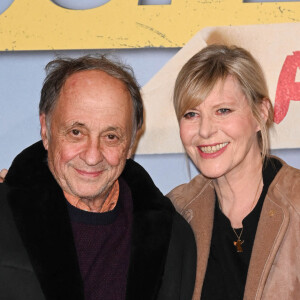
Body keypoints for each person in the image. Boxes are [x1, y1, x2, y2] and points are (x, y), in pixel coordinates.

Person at [0, 56, 196, 300]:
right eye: (76, 132)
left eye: (111, 136)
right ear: (45, 129)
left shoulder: (173, 240)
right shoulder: (6, 216)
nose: (92, 156)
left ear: (131, 142)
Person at [167, 44, 300, 300]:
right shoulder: (176, 212)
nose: (205, 131)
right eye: (191, 114)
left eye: (223, 111)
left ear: (261, 112)